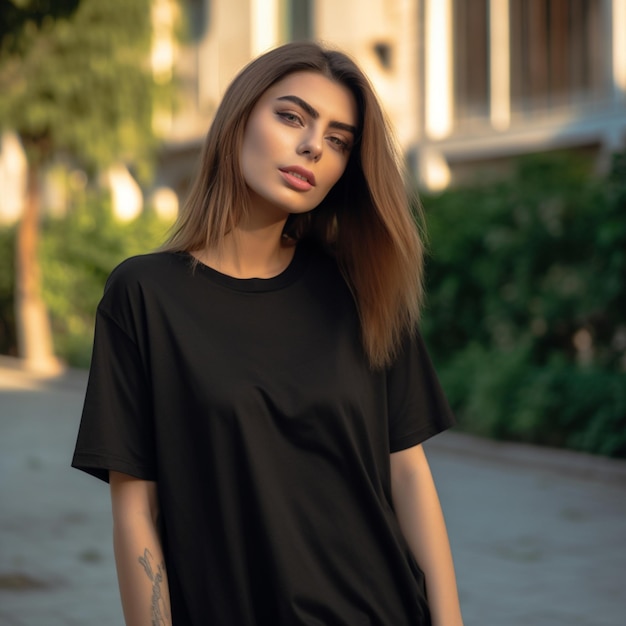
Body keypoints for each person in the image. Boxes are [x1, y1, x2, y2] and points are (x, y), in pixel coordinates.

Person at [72, 41, 464, 626]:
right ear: (238, 119)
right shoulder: (144, 295)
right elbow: (136, 509)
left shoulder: (360, 289)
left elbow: (408, 472)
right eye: (291, 117)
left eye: (337, 141)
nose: (313, 146)